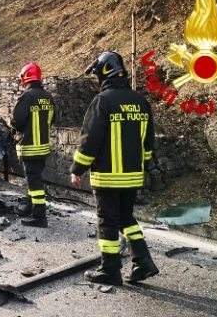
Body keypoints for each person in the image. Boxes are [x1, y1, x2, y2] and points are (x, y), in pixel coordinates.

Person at [70, 51, 159, 285]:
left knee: (106, 221)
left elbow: (90, 140)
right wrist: (143, 166)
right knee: (125, 217)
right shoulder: (141, 102)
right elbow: (148, 143)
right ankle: (143, 261)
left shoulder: (103, 101)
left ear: (105, 73)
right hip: (133, 176)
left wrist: (77, 168)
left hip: (108, 177)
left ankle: (110, 270)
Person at [10, 62, 56, 227]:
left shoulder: (27, 97)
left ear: (25, 77)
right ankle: (29, 207)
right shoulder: (48, 97)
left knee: (35, 183)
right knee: (33, 179)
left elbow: (16, 121)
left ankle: (39, 216)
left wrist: (13, 127)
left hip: (29, 146)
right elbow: (52, 120)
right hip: (43, 146)